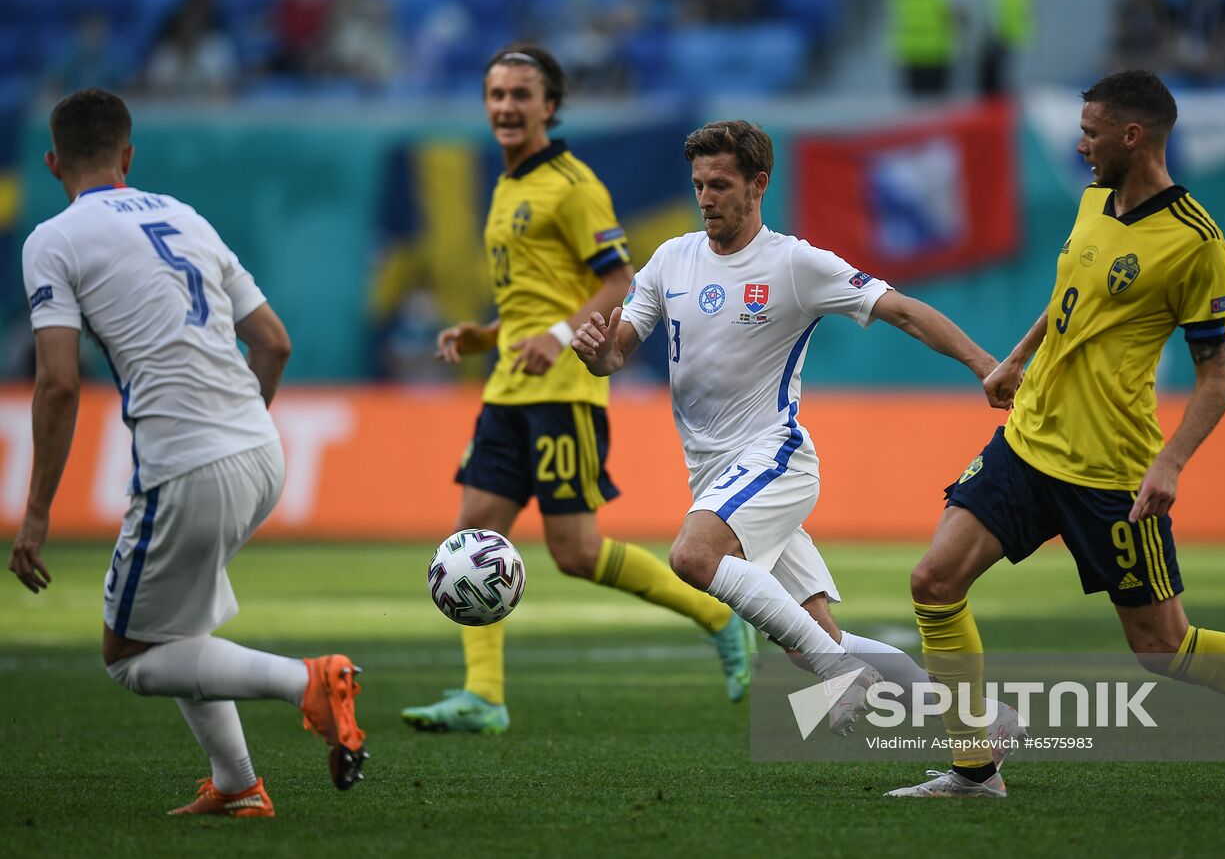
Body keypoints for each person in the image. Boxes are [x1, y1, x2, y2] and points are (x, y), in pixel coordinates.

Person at [888, 70, 1225, 800]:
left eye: (1090, 133)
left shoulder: (1195, 242)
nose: (1079, 144)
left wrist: (1172, 463)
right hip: (1028, 444)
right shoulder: (1093, 201)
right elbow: (1069, 296)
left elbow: (1215, 375)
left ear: (1134, 136)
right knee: (934, 580)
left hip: (1110, 471)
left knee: (1163, 645)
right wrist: (1018, 359)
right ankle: (974, 768)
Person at [572, 119, 1024, 744]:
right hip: (712, 471)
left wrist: (984, 364)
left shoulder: (794, 264)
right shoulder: (671, 259)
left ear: (759, 185)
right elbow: (617, 353)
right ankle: (981, 724)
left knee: (694, 557)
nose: (706, 197)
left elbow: (903, 311)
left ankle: (841, 674)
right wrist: (595, 353)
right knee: (813, 633)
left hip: (774, 458)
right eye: (699, 184)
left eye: (721, 184)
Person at [9, 89, 366, 817]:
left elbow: (55, 384)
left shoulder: (53, 238)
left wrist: (35, 514)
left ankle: (307, 680)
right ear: (129, 155)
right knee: (181, 630)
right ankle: (238, 786)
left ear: (52, 163)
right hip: (263, 451)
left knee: (131, 655)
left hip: (185, 462)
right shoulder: (185, 216)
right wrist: (237, 434)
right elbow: (275, 341)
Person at [400, 44, 751, 734]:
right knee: (474, 534)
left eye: (520, 95)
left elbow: (617, 279)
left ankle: (714, 611)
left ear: (549, 106)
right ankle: (485, 694)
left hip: (563, 388)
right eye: (496, 94)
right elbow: (540, 295)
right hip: (507, 385)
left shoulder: (571, 183)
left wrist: (557, 339)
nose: (506, 106)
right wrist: (488, 334)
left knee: (576, 553)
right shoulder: (505, 185)